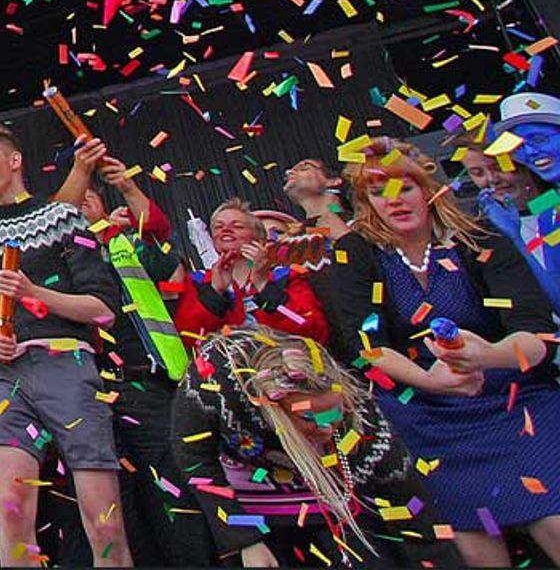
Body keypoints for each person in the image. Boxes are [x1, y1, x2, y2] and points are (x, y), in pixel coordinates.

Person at [332, 138, 560, 566]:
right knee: (475, 548)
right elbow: (365, 345)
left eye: (405, 186)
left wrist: (486, 356)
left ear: (429, 188)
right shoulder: (354, 252)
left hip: (515, 400)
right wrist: (431, 379)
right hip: (423, 413)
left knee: (553, 521)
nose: (394, 201)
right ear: (365, 203)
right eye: (378, 191)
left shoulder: (481, 237)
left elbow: (538, 336)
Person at [0, 118, 128, 567]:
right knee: (12, 517)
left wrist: (35, 294)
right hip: (4, 378)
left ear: (15, 161)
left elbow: (103, 307)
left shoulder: (63, 218)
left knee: (103, 521)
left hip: (66, 367)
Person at [52, 137, 214, 568]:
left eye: (91, 196)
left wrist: (128, 187)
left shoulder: (129, 243)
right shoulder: (57, 260)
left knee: (173, 495)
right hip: (87, 394)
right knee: (118, 510)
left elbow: (162, 243)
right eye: (73, 199)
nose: (83, 203)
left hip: (148, 383)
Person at [173, 326, 457, 567]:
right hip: (240, 480)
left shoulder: (357, 415)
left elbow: (408, 502)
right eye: (311, 418)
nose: (326, 427)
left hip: (322, 480)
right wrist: (246, 540)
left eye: (332, 415)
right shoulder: (211, 385)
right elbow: (194, 458)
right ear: (277, 406)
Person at [173, 198, 330, 352]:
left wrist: (264, 286)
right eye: (218, 226)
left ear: (260, 239)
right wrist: (215, 293)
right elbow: (188, 338)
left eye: (238, 226)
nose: (225, 230)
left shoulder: (285, 277)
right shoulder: (198, 281)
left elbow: (312, 330)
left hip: (283, 367)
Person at [459, 133, 560, 311]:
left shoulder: (553, 207)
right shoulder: (480, 232)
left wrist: (516, 239)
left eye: (499, 167)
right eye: (477, 173)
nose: (492, 179)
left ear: (523, 162)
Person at [283, 158, 352, 238]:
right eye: (287, 176)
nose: (289, 172)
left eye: (303, 169)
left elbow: (336, 211)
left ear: (333, 181)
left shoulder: (360, 223)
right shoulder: (295, 236)